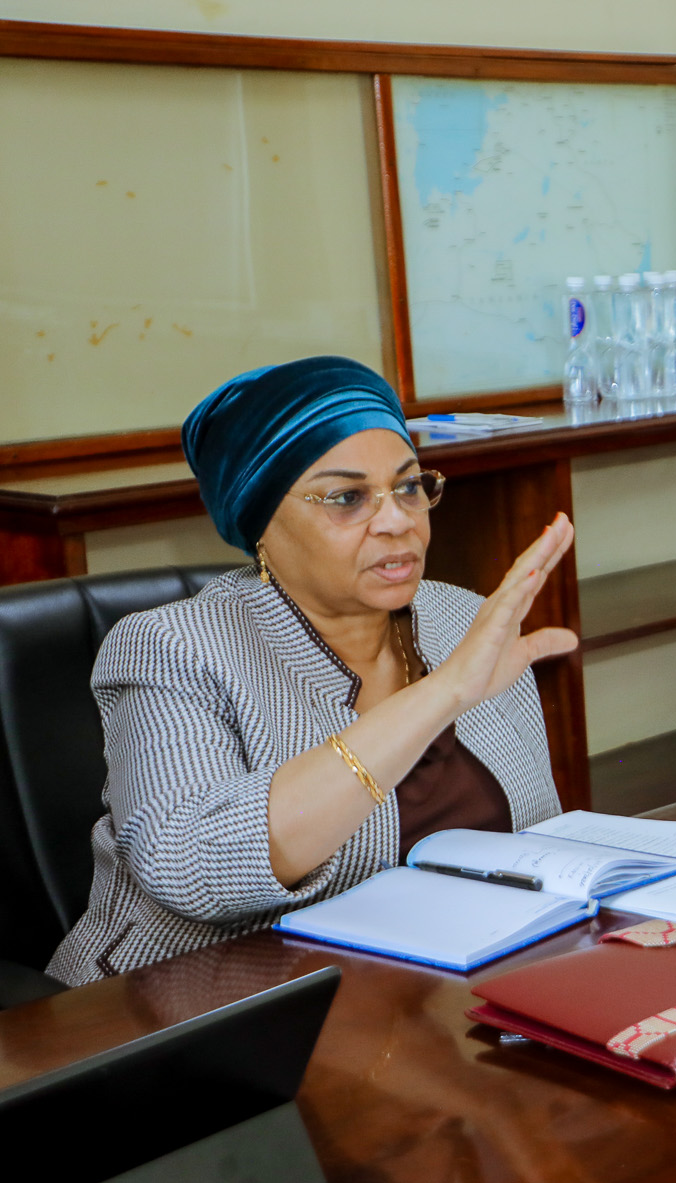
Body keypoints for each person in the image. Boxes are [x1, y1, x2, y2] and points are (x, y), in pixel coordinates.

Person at [48, 356, 577, 985]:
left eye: (409, 487)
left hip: (433, 984)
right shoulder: (172, 647)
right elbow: (190, 869)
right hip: (200, 1004)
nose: (398, 521)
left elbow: (534, 837)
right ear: (261, 523)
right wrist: (442, 694)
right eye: (348, 498)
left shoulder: (464, 618)